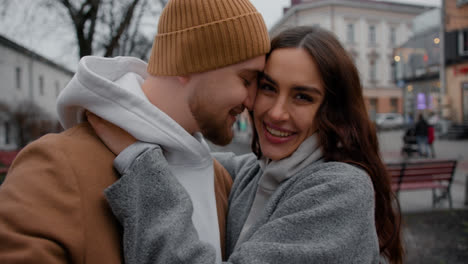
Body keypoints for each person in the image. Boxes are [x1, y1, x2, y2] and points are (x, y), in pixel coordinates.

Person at [88, 26, 403, 263]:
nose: (276, 112)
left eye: (302, 96)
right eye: (268, 88)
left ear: (332, 110)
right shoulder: (254, 173)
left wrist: (137, 159)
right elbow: (192, 158)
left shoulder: (342, 190)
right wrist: (134, 114)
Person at [0, 0, 270, 263]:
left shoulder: (219, 180)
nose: (252, 102)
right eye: (245, 80)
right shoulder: (55, 166)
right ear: (190, 63)